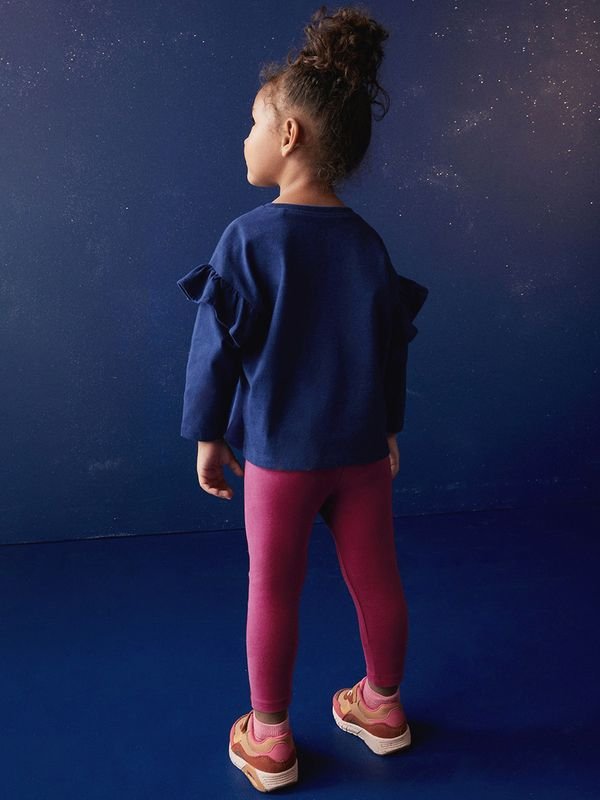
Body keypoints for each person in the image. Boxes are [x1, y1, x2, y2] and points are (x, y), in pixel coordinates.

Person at [176, 5, 429, 793]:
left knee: (273, 589)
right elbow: (391, 347)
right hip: (360, 454)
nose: (246, 136)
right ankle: (382, 707)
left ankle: (271, 738)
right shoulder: (367, 244)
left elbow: (215, 351)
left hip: (281, 460)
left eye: (254, 122)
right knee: (377, 578)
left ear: (288, 135)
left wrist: (207, 436)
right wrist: (388, 429)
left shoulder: (247, 240)